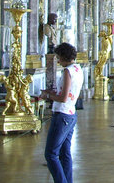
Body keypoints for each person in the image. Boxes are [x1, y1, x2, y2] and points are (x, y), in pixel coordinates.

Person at [41, 42, 84, 183]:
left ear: (64, 56)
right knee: (65, 153)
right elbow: (66, 93)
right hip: (71, 114)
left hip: (62, 114)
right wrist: (51, 92)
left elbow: (63, 98)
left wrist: (47, 96)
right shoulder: (78, 68)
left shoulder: (67, 71)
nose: (58, 61)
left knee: (51, 154)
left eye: (59, 57)